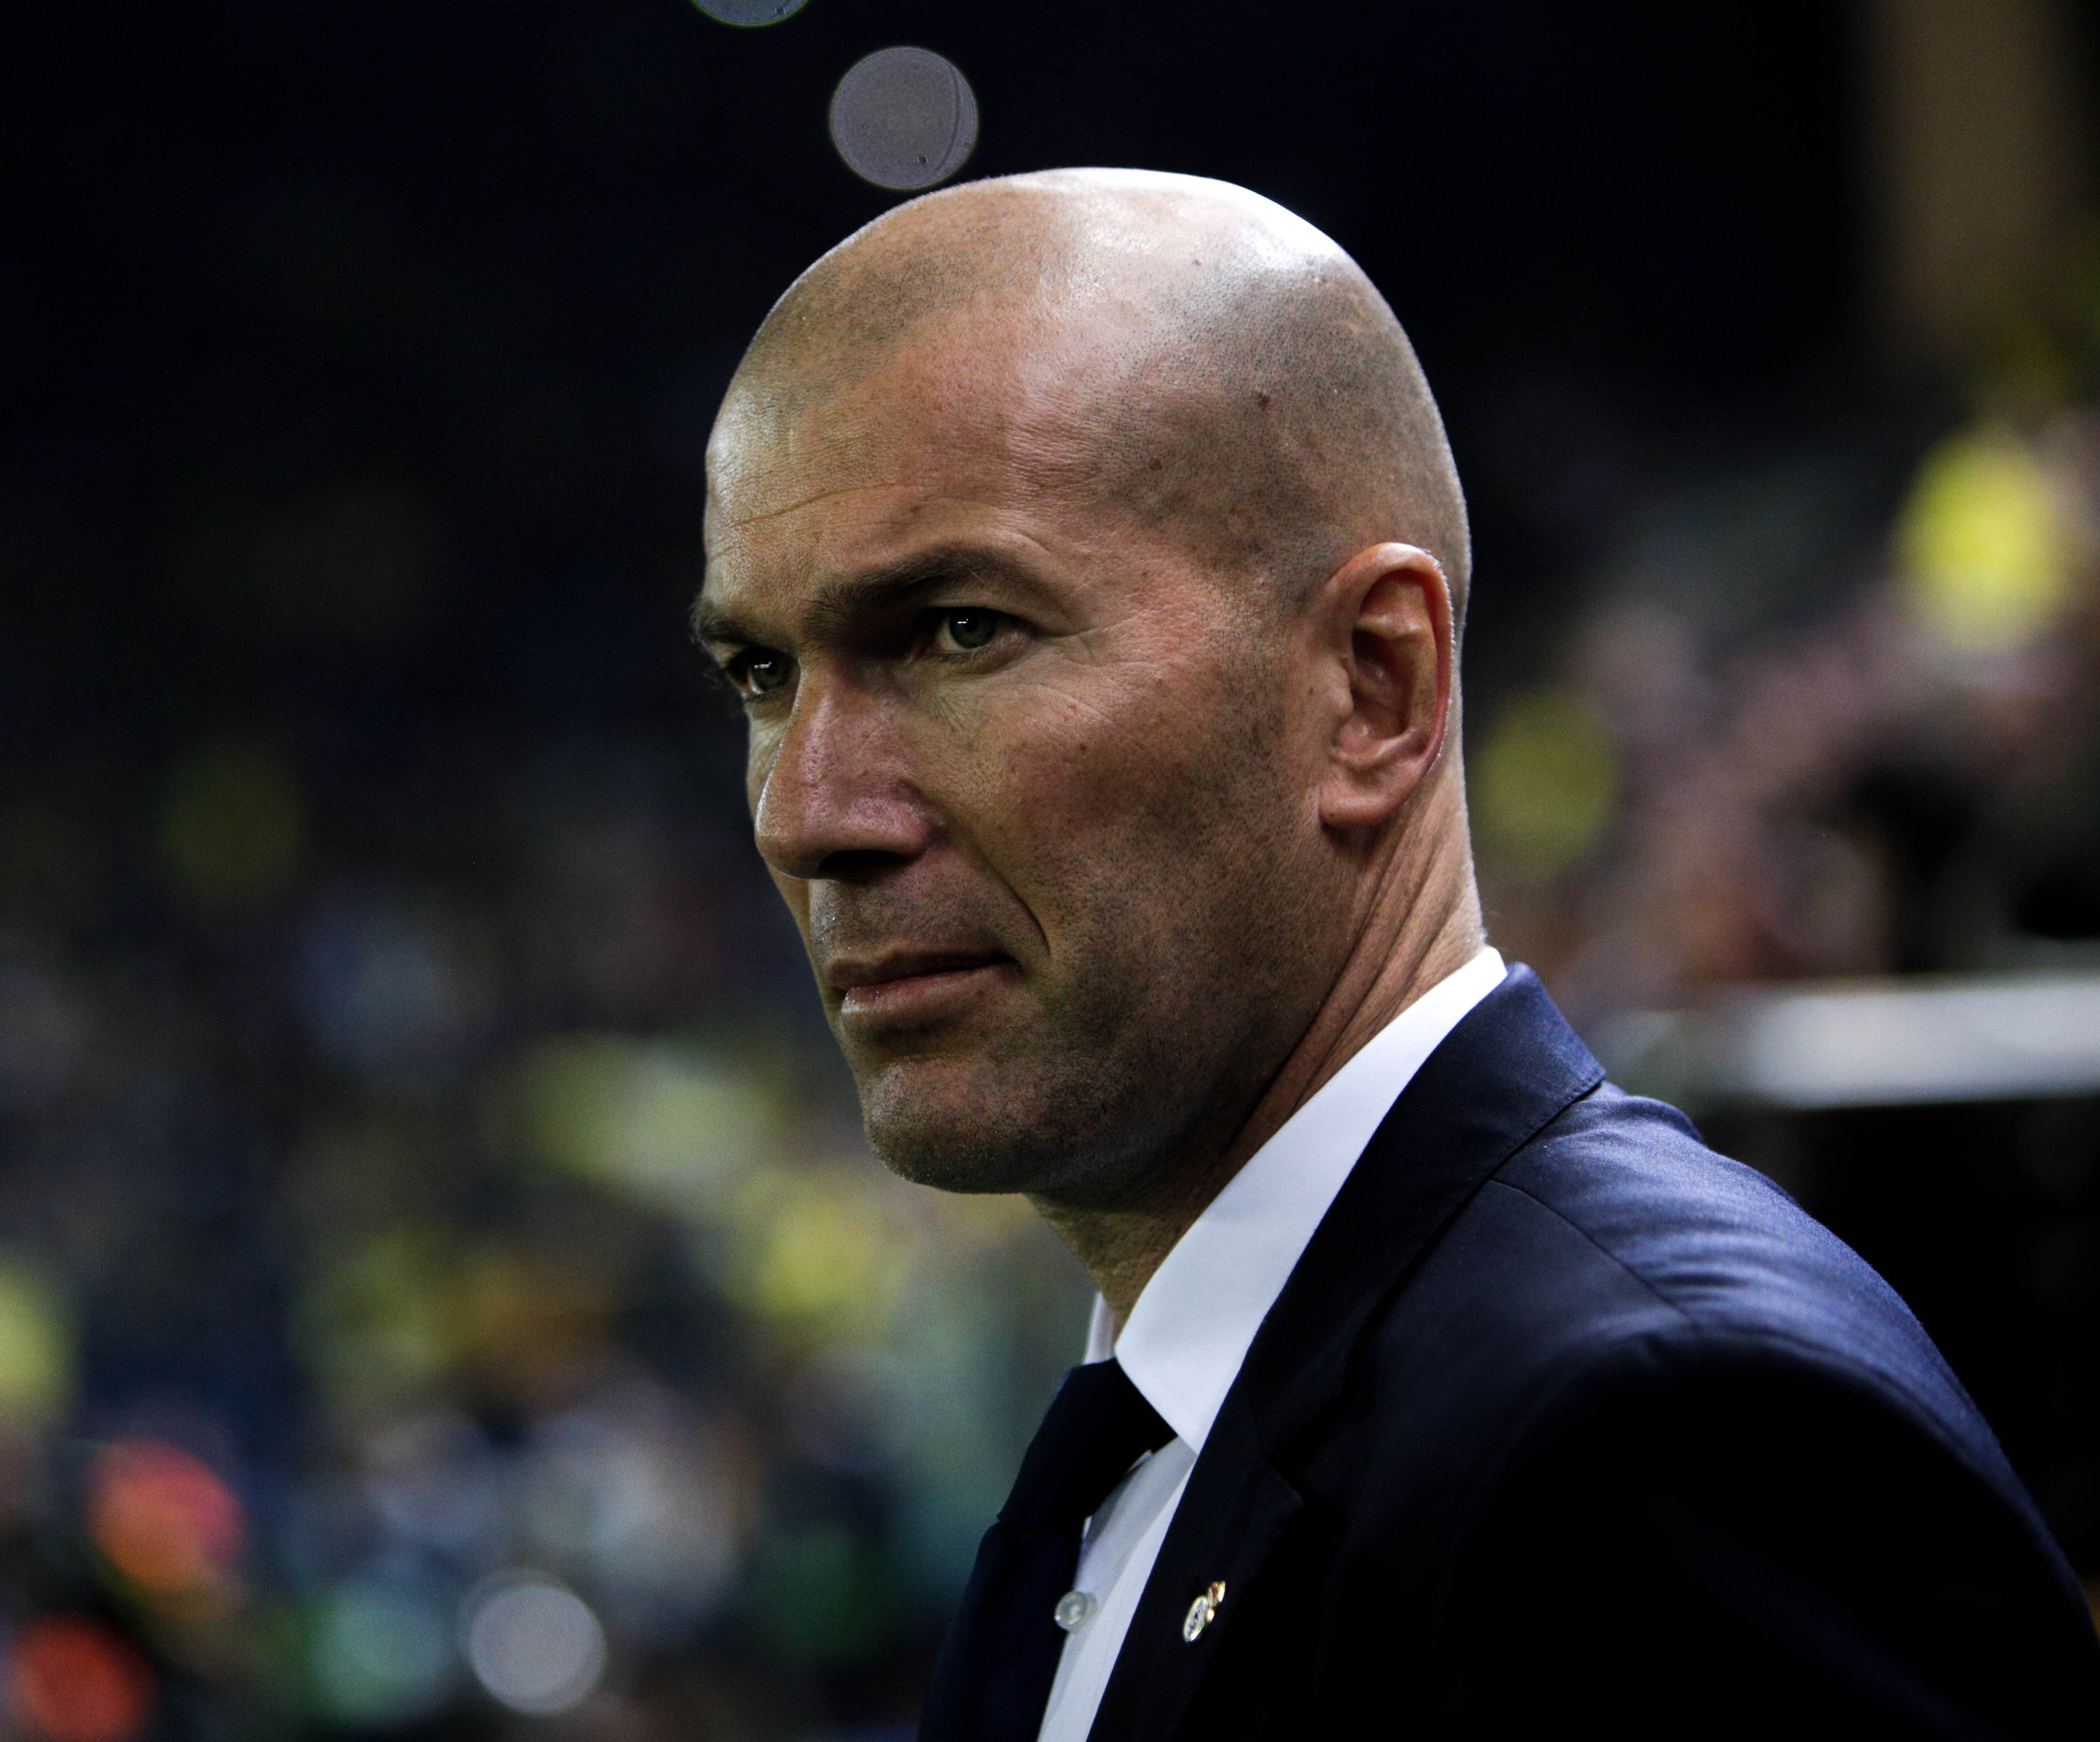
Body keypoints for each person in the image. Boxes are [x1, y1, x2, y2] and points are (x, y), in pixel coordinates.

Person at [689, 168, 2100, 1739]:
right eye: (761, 672)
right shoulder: (1208, 1431)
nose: (808, 811)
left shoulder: (1654, 1444)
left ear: (1371, 689)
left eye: (958, 631)